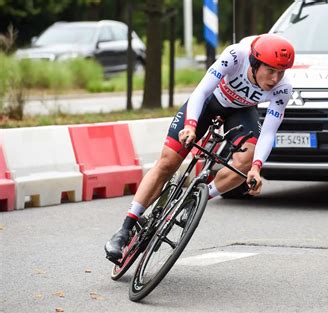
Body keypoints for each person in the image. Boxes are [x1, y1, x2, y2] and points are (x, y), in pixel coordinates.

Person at [105, 34, 295, 262]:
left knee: (245, 163)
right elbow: (201, 90)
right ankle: (126, 227)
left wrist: (256, 167)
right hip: (209, 102)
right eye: (270, 70)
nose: (275, 78)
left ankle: (196, 200)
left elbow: (269, 132)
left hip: (240, 111)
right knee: (168, 162)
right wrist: (191, 126)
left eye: (281, 72)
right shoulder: (236, 56)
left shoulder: (283, 89)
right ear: (255, 63)